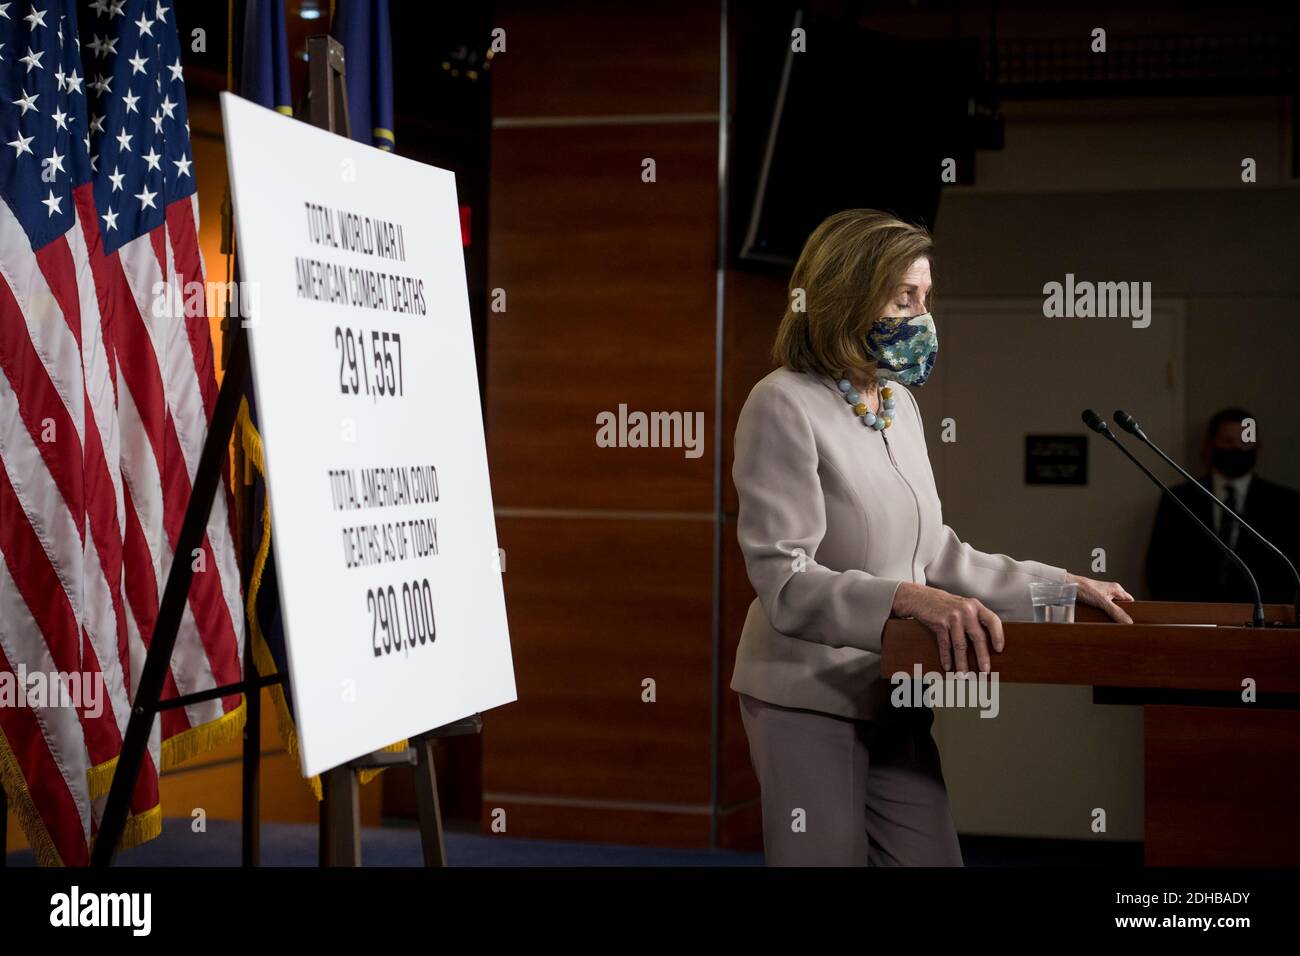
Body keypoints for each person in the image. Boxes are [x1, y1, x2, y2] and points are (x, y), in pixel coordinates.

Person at [731, 209, 1133, 867]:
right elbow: (786, 580)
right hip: (805, 694)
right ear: (846, 296)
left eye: (925, 297)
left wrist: (1058, 589)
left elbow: (937, 553)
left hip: (893, 689)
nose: (922, 316)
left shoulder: (898, 404)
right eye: (904, 297)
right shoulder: (783, 403)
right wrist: (909, 600)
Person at [1146, 408, 1300, 605]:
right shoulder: (1178, 498)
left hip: (1265, 622)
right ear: (1210, 445)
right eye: (1227, 441)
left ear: (1257, 445)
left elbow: (1291, 569)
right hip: (1192, 620)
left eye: (1244, 441)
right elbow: (1159, 567)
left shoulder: (1287, 503)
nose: (1236, 448)